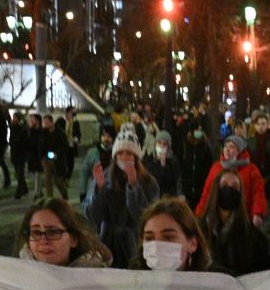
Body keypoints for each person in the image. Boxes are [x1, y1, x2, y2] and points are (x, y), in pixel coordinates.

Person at [85, 128, 159, 267]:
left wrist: (133, 186)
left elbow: (147, 218)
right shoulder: (104, 178)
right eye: (120, 153)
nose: (124, 157)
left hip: (137, 246)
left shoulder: (149, 182)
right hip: (107, 245)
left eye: (129, 153)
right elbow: (92, 216)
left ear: (136, 157)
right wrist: (99, 190)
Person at [198, 169, 270, 276]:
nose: (229, 189)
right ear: (216, 190)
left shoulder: (251, 234)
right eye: (224, 185)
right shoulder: (198, 229)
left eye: (235, 187)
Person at [195, 134, 268, 225]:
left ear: (240, 150)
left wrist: (257, 213)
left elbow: (258, 193)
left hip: (243, 216)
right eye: (225, 146)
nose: (227, 149)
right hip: (219, 217)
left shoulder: (251, 169)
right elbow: (207, 192)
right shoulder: (216, 167)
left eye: (232, 147)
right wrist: (200, 214)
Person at [180, 123, 215, 212]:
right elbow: (183, 168)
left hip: (201, 190)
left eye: (200, 130)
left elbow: (209, 168)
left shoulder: (206, 148)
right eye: (196, 130)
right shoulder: (186, 146)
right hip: (187, 190)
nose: (198, 133)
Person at [41, 114, 70, 201]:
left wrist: (56, 154)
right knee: (47, 181)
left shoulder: (60, 133)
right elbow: (41, 145)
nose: (45, 124)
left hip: (58, 160)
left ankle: (65, 196)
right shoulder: (43, 133)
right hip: (46, 159)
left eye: (47, 122)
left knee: (59, 181)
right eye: (44, 122)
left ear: (52, 122)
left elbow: (64, 147)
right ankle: (49, 200)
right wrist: (43, 155)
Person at [144, 130, 182, 198]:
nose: (161, 146)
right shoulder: (150, 159)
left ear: (168, 147)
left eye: (164, 144)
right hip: (153, 197)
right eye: (159, 143)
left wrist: (164, 165)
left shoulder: (173, 161)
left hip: (168, 197)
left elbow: (174, 182)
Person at [8, 111, 29, 199]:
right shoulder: (13, 128)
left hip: (21, 154)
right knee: (18, 173)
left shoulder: (23, 130)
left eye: (15, 118)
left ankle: (19, 192)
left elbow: (24, 142)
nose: (13, 120)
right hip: (14, 153)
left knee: (20, 174)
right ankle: (25, 189)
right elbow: (11, 140)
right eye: (13, 118)